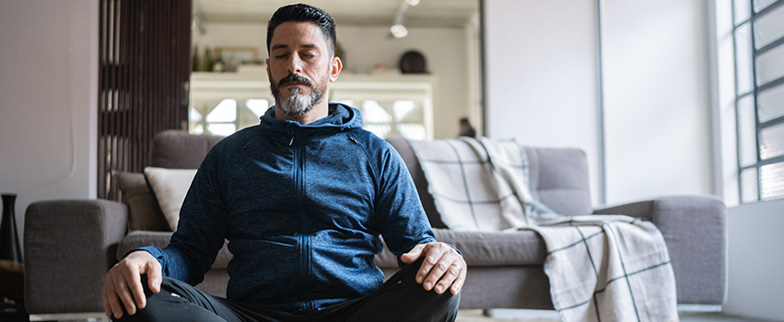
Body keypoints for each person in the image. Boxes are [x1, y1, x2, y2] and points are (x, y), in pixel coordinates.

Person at [103, 4, 466, 322]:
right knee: (139, 293)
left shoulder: (376, 154)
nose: (293, 65)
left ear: (333, 68)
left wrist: (445, 256)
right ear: (268, 68)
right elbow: (189, 253)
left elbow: (417, 247)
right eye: (281, 54)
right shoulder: (229, 157)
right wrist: (144, 259)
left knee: (440, 284)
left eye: (308, 54)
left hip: (354, 311)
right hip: (251, 313)